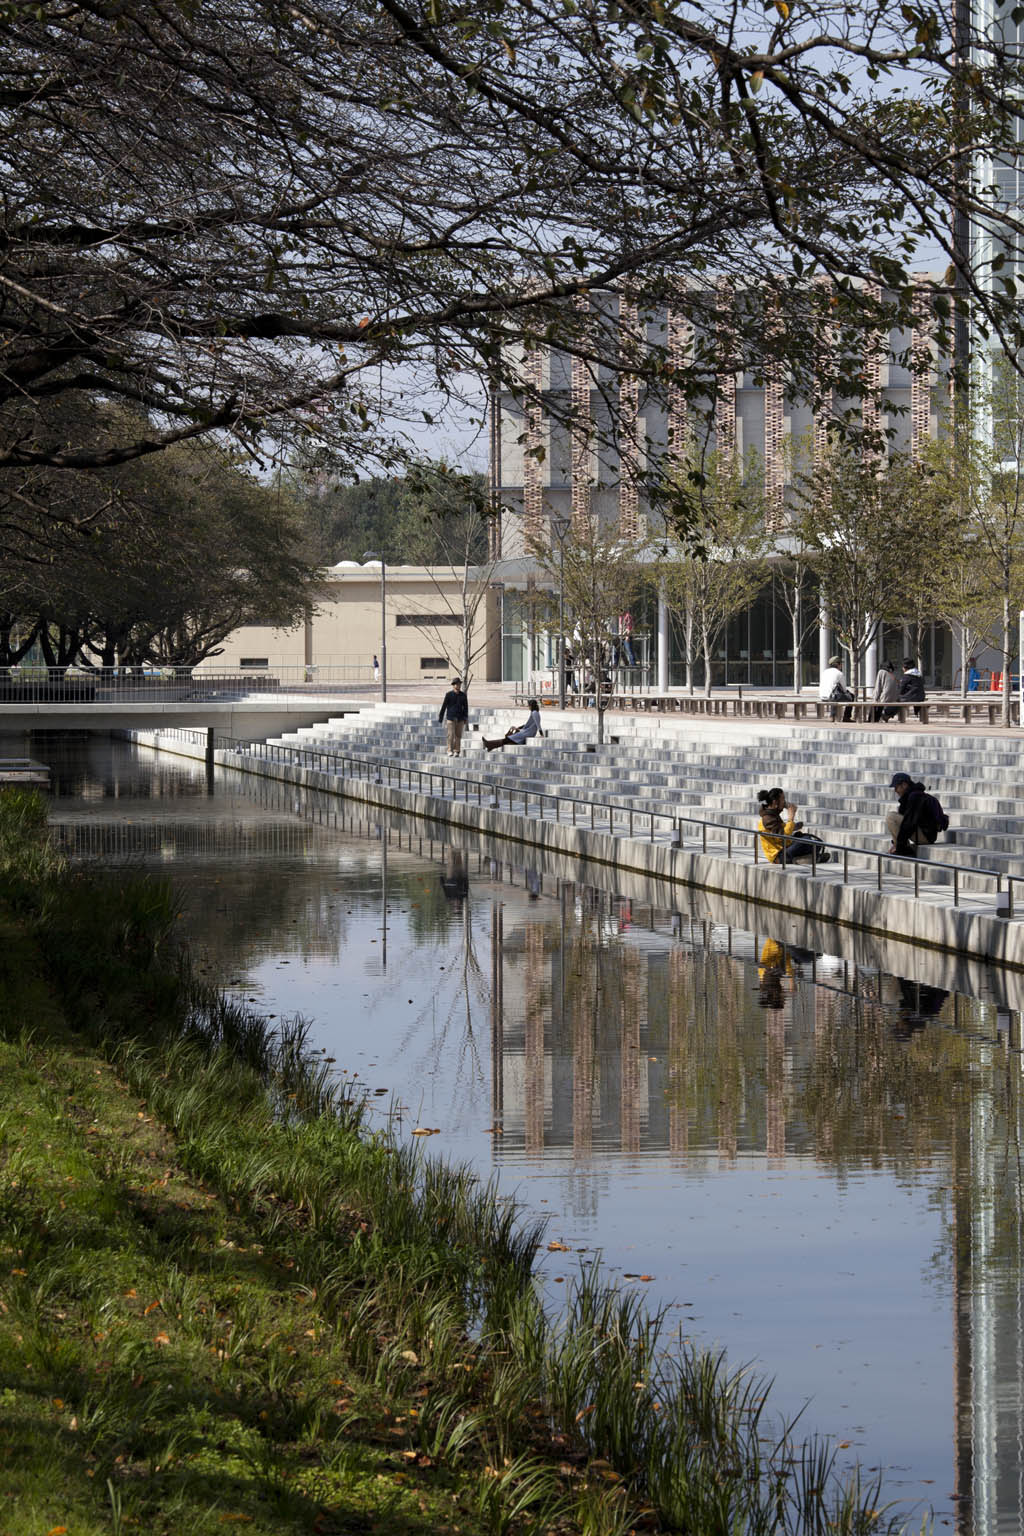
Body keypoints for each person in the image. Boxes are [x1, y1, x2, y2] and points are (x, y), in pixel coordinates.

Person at [756, 786, 830, 865]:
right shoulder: (768, 818)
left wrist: (795, 827)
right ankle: (804, 859)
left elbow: (781, 829)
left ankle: (806, 858)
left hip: (785, 848)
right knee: (807, 840)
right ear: (775, 802)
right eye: (783, 799)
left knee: (815, 842)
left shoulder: (772, 814)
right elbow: (783, 836)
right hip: (779, 855)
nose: (784, 802)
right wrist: (791, 817)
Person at [885, 770, 949, 857]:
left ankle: (903, 849)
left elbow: (909, 823)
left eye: (896, 787)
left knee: (891, 817)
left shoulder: (915, 797)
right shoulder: (911, 796)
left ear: (904, 785)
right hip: (925, 834)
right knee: (894, 816)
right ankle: (900, 847)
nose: (895, 790)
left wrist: (900, 846)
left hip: (925, 836)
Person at [438, 677, 469, 756]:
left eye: (459, 684)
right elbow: (444, 706)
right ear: (453, 685)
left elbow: (466, 707)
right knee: (450, 735)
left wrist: (465, 717)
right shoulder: (448, 695)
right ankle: (449, 750)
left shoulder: (463, 695)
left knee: (458, 735)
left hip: (460, 718)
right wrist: (441, 717)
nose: (458, 685)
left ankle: (456, 751)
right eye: (457, 684)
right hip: (451, 718)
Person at [818, 654, 853, 722]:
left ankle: (833, 715)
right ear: (838, 664)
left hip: (822, 695)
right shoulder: (839, 673)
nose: (841, 665)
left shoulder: (824, 672)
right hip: (832, 697)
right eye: (840, 664)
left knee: (835, 695)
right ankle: (846, 717)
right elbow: (844, 689)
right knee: (851, 696)